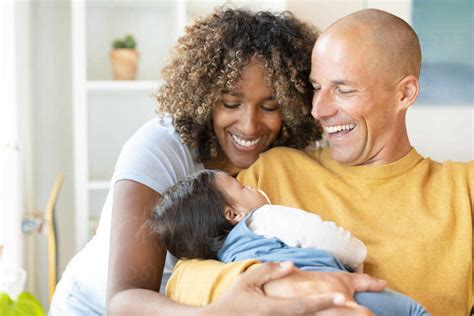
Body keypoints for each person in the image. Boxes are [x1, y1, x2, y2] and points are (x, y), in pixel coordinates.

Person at [49, 8, 382, 316]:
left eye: (269, 107)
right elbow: (124, 299)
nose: (249, 126)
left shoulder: (285, 155)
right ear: (205, 97)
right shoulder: (161, 148)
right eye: (230, 103)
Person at [164, 8, 474, 316]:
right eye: (316, 88)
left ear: (404, 94)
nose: (319, 110)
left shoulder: (464, 189)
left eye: (344, 89)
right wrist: (275, 285)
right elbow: (184, 278)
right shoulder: (275, 170)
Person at [150, 169, 429, 315]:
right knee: (413, 311)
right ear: (233, 214)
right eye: (242, 187)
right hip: (334, 287)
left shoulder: (225, 259)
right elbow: (319, 233)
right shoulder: (262, 218)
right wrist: (356, 253)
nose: (251, 186)